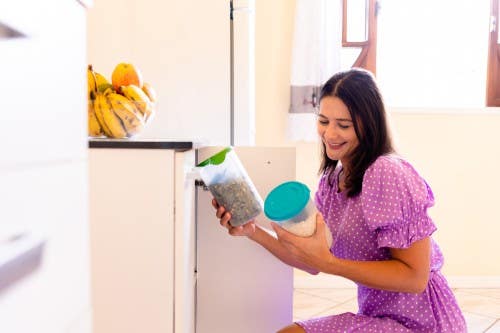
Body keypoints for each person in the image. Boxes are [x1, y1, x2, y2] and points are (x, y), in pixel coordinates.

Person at [212, 68, 467, 332]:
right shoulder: (332, 182)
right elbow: (311, 260)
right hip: (380, 317)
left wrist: (330, 264)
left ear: (369, 124)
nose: (330, 134)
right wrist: (253, 231)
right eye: (323, 121)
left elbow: (415, 278)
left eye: (343, 125)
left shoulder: (387, 172)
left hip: (424, 324)